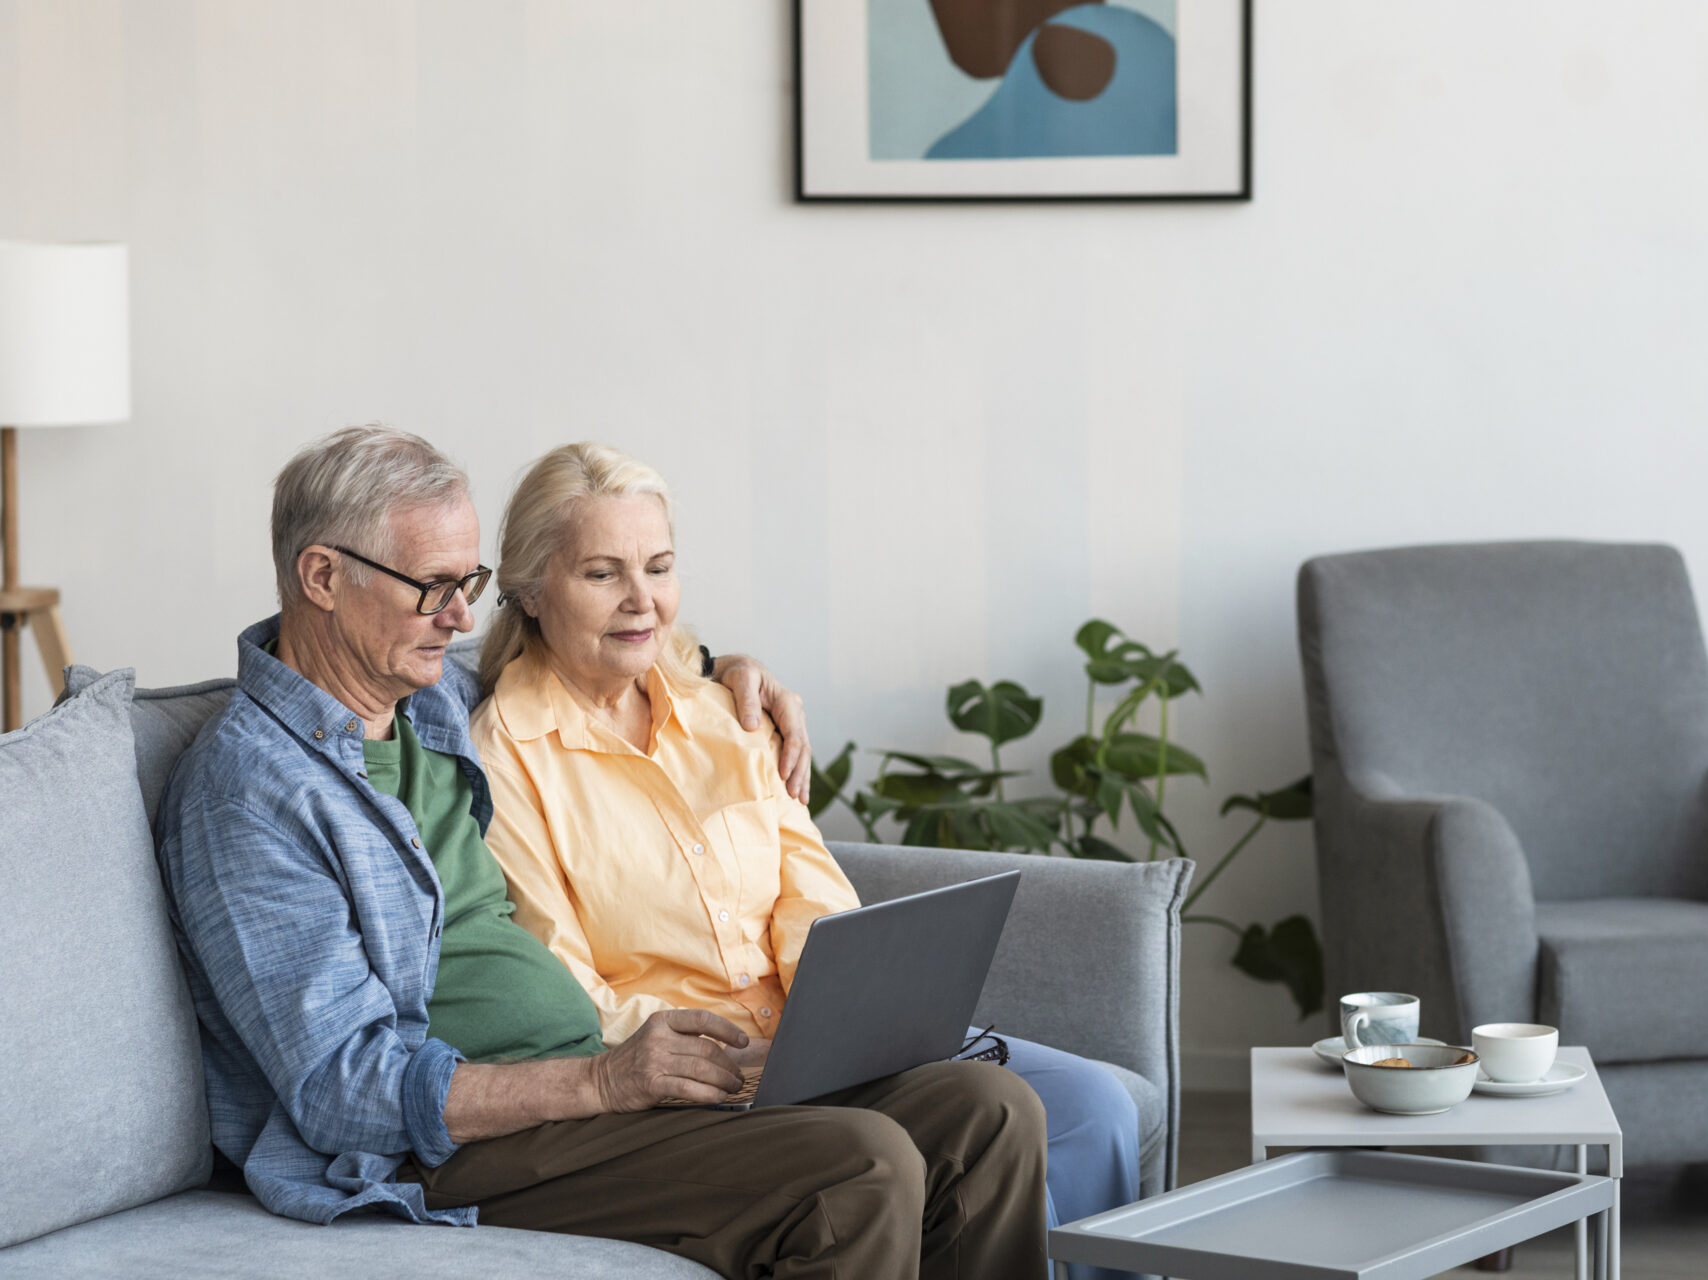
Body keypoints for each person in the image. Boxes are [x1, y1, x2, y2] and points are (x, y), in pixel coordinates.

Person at [156, 425, 1049, 1279]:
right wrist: (605, 1080)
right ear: (321, 576)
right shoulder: (250, 793)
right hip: (450, 1147)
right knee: (857, 1166)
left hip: (590, 1082)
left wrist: (730, 668)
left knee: (986, 1112)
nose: (461, 612)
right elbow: (339, 1090)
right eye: (433, 587)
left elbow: (595, 637)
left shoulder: (424, 699)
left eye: (468, 580)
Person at [468, 441, 1143, 1280]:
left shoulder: (725, 712)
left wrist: (840, 1018)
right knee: (908, 1141)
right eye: (602, 574)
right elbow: (562, 987)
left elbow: (812, 894)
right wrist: (725, 1056)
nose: (643, 601)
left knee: (1001, 1107)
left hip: (804, 1044)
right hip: (685, 1072)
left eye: (660, 567)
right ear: (532, 590)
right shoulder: (504, 756)